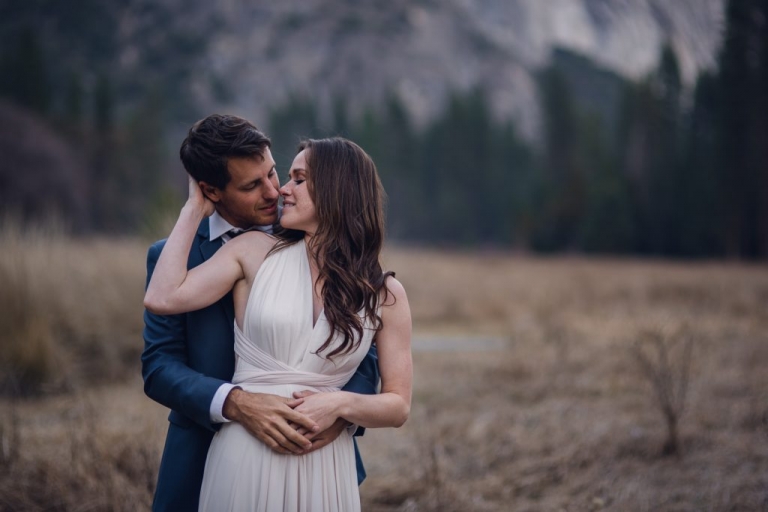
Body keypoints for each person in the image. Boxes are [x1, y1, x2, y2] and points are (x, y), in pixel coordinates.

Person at [145, 135, 412, 511]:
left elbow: (396, 402)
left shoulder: (386, 293)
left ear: (337, 189)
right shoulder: (252, 251)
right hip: (243, 453)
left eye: (292, 178)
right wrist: (193, 208)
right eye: (259, 183)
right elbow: (161, 302)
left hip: (325, 462)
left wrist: (339, 407)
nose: (279, 190)